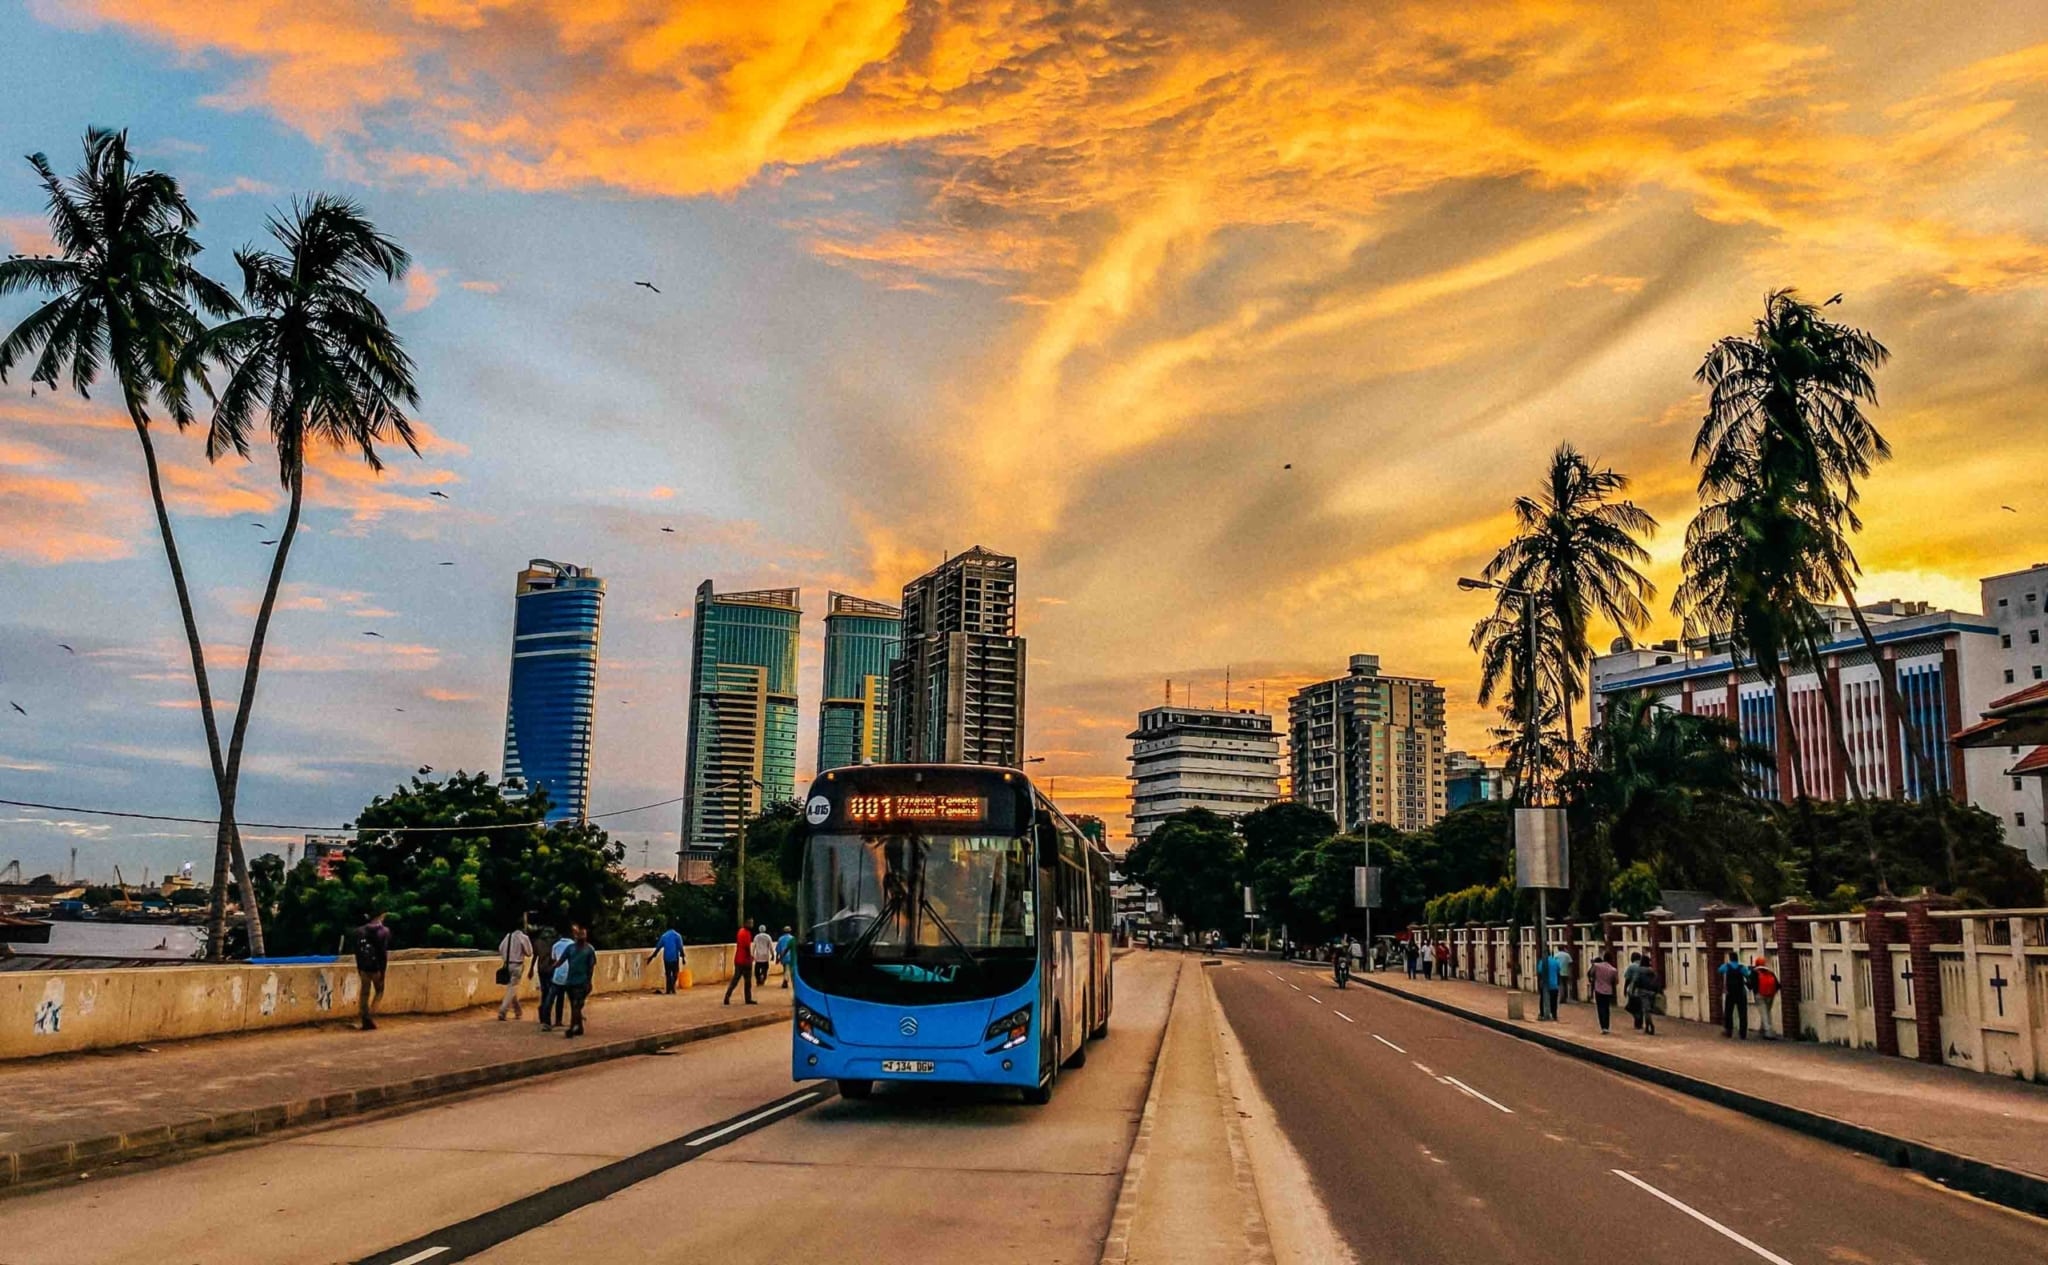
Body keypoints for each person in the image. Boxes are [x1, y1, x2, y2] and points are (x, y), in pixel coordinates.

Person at [352, 910, 393, 1031]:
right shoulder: (384, 932)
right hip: (376, 968)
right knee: (379, 991)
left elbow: (357, 951)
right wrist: (383, 971)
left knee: (364, 992)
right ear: (380, 916)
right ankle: (370, 1015)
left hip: (364, 967)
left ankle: (364, 1017)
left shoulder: (359, 931)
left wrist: (359, 967)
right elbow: (383, 954)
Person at [556, 922, 598, 1038]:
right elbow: (561, 961)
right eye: (580, 935)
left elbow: (591, 968)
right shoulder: (570, 948)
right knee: (576, 1005)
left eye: (583, 934)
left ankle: (572, 1027)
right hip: (570, 981)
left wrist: (589, 982)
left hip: (582, 982)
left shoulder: (589, 949)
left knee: (576, 1005)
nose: (581, 937)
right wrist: (552, 968)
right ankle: (579, 1027)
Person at [496, 922, 534, 1020]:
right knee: (512, 988)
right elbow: (529, 953)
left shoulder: (508, 936)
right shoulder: (523, 937)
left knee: (511, 988)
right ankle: (502, 1011)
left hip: (507, 964)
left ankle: (518, 1011)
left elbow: (500, 948)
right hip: (517, 965)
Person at [541, 928, 574, 1031]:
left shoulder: (556, 945)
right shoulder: (573, 945)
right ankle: (564, 1021)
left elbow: (554, 959)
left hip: (558, 975)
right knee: (570, 1000)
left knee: (550, 999)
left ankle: (546, 1022)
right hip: (570, 976)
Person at [1718, 949, 1751, 1040]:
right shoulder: (1742, 968)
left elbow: (1719, 970)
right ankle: (1743, 1033)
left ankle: (1729, 1031)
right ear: (1737, 958)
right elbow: (1748, 974)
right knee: (1742, 1013)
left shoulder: (1726, 966)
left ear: (1730, 958)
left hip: (1730, 993)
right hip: (1741, 993)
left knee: (1728, 1012)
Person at [1589, 950, 1620, 1034]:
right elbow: (1616, 981)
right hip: (1608, 990)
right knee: (1606, 1008)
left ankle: (1602, 1026)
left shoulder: (1596, 966)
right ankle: (1606, 1026)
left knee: (1600, 1008)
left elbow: (1591, 974)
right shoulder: (1613, 970)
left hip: (1598, 989)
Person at [647, 925, 685, 994]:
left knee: (668, 974)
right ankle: (672, 987)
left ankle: (668, 990)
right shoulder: (677, 936)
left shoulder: (664, 936)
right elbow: (680, 948)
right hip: (674, 958)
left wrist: (652, 956)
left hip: (666, 958)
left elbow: (658, 948)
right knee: (675, 974)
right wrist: (683, 958)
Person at [724, 924, 756, 1005]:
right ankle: (748, 998)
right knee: (747, 981)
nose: (752, 924)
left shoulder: (740, 931)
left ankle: (727, 995)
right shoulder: (747, 933)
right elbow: (747, 947)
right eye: (750, 922)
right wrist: (750, 957)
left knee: (735, 980)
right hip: (745, 961)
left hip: (738, 959)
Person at [1751, 955, 1779, 1039]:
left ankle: (1768, 1031)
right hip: (1771, 995)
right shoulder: (1770, 972)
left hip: (1760, 995)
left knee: (1764, 1013)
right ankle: (1762, 1029)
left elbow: (1750, 984)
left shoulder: (1755, 972)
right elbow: (1777, 984)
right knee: (1767, 1012)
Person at [1633, 957, 1661, 1036]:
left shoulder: (1639, 970)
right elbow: (1657, 981)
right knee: (1648, 1009)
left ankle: (1650, 1025)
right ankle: (1647, 1027)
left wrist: (1633, 990)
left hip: (1642, 991)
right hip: (1652, 992)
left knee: (1646, 1010)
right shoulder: (1652, 971)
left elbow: (1636, 981)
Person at [1536, 942, 1562, 1020]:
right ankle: (1554, 1014)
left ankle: (1542, 1014)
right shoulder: (1555, 962)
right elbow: (1558, 972)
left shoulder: (1542, 962)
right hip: (1554, 984)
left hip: (1545, 985)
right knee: (1554, 1001)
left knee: (1543, 1000)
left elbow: (1540, 972)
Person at [1622, 951, 1646, 1031]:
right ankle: (1639, 1023)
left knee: (1632, 1007)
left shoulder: (1631, 966)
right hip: (1643, 990)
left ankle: (1637, 1021)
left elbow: (1627, 979)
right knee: (1640, 1007)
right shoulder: (1644, 966)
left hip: (1633, 990)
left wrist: (1625, 989)